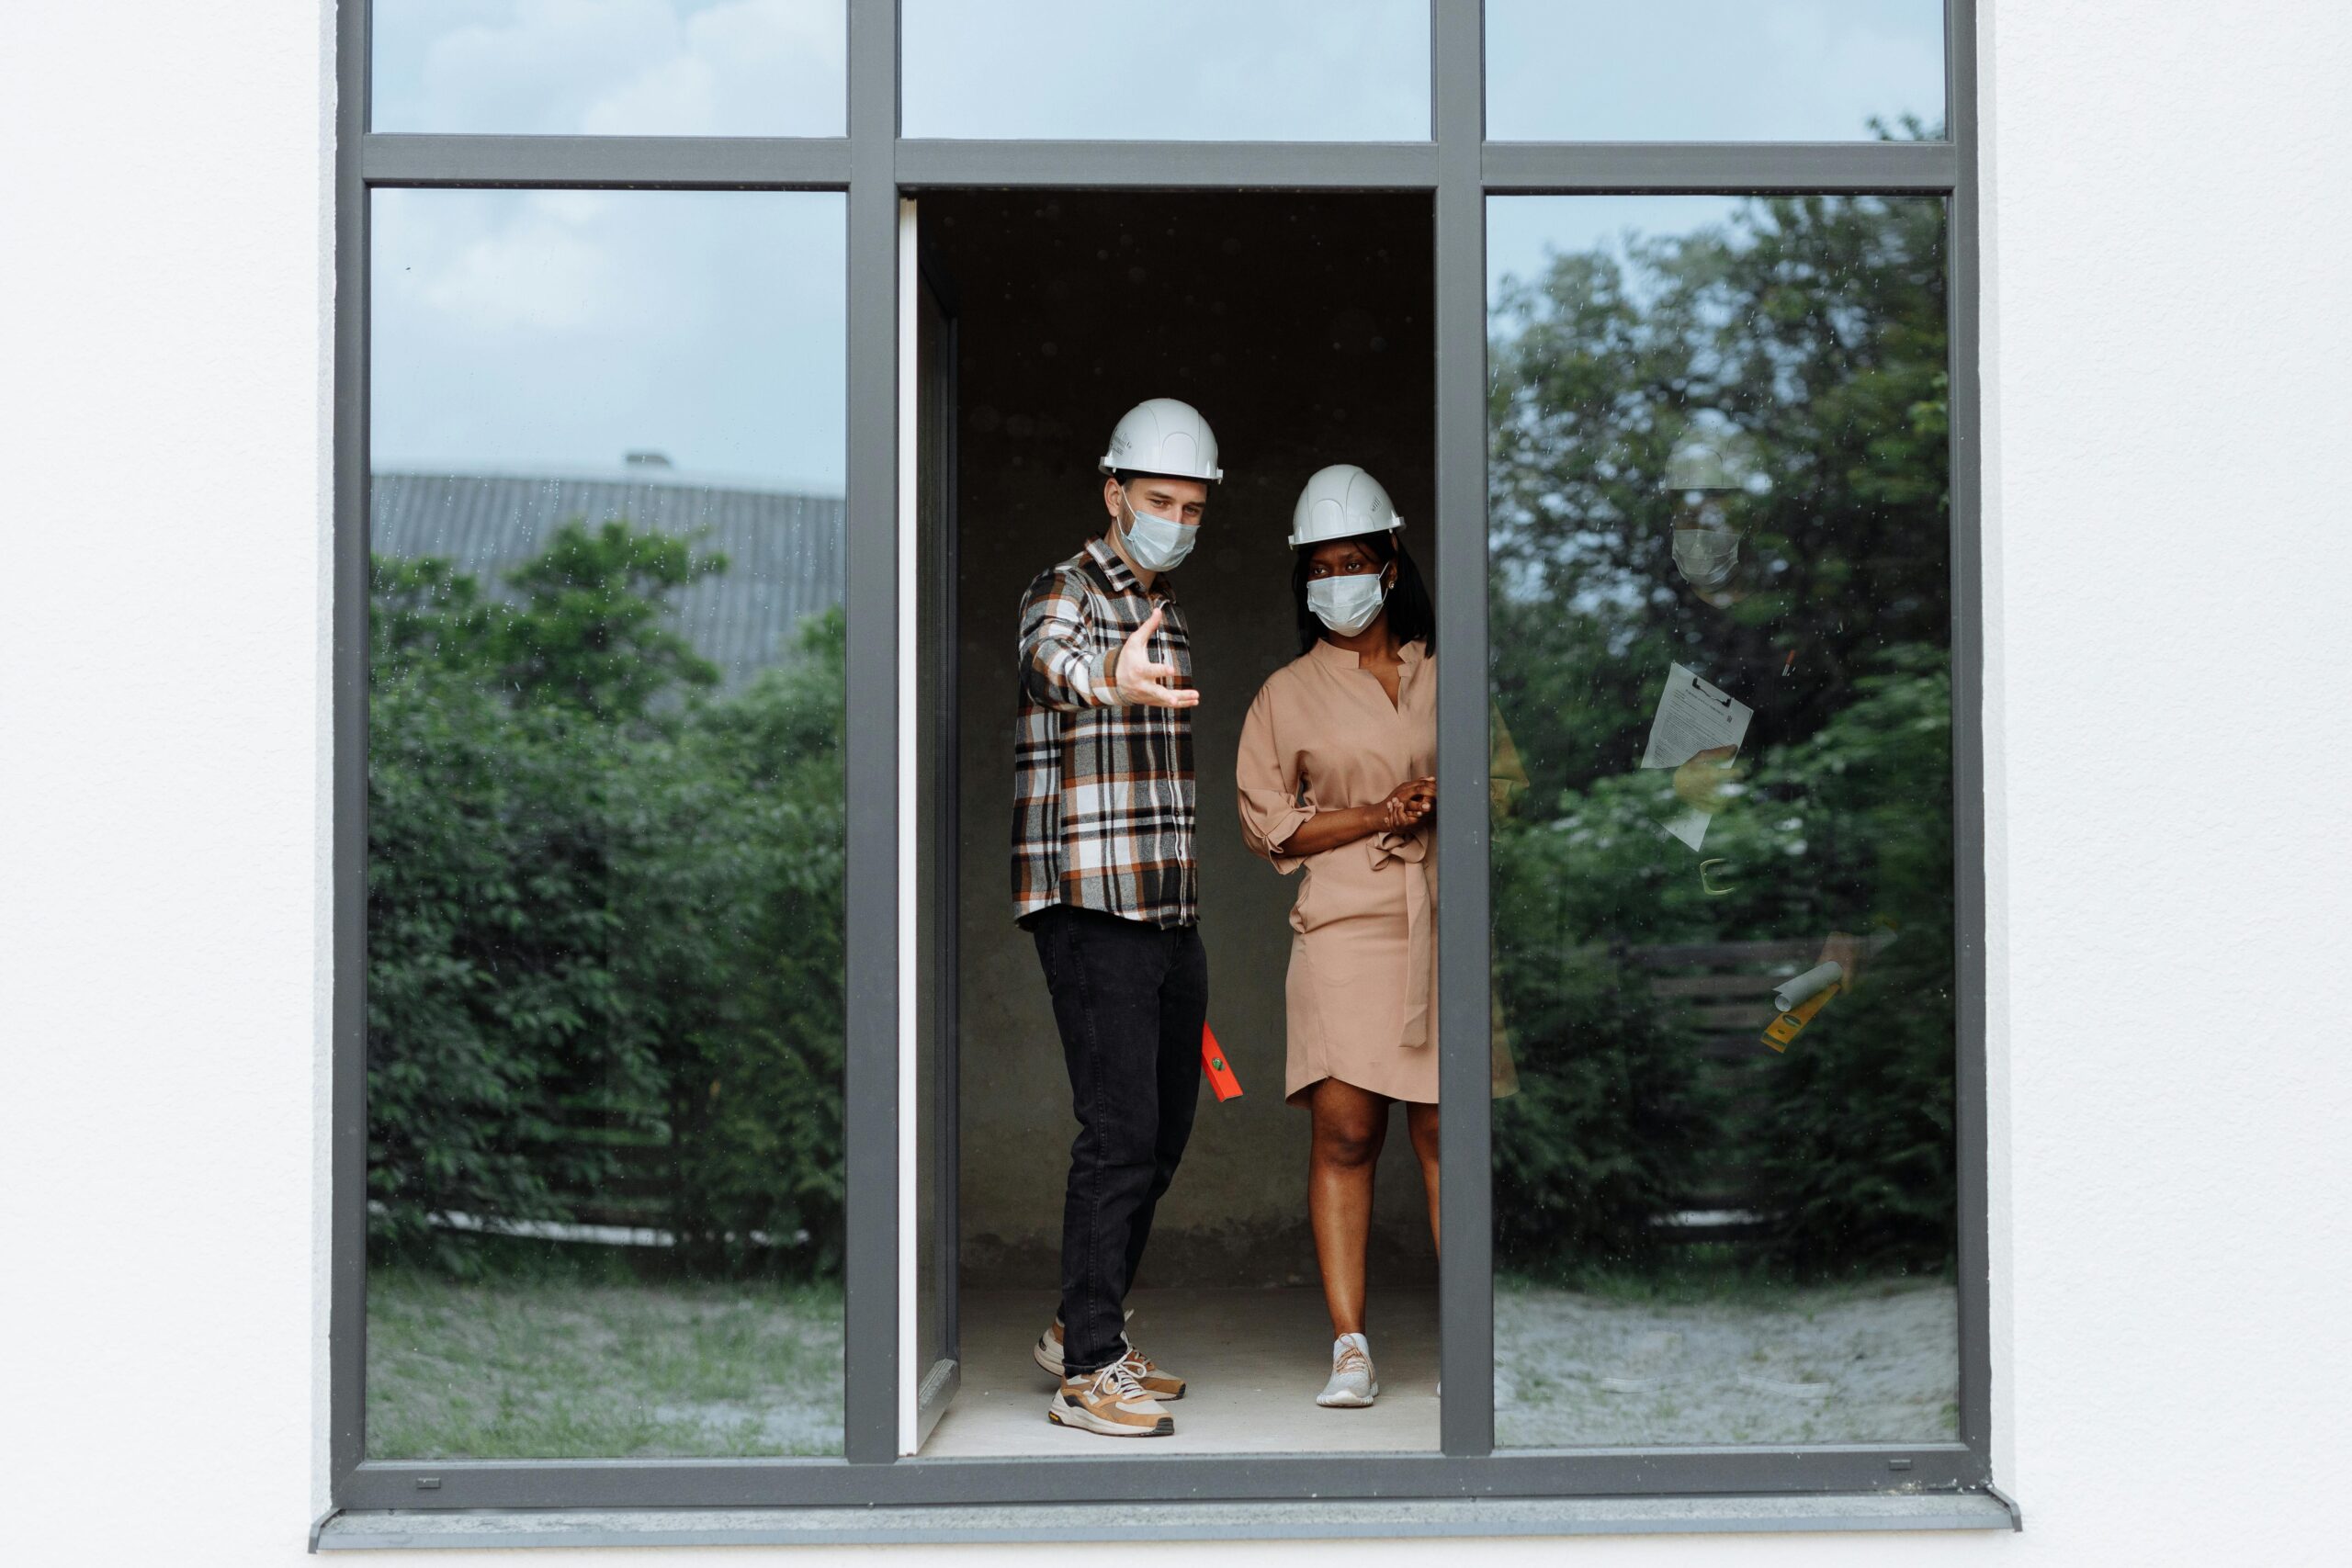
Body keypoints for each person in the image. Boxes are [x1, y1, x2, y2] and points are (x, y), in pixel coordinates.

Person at [1012, 397, 1220, 1438]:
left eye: (1191, 506)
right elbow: (1044, 662)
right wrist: (1105, 678)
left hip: (1163, 910)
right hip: (1091, 906)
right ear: (1113, 493)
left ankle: (1074, 1323)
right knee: (1118, 1135)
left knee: (1165, 1131)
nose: (1175, 520)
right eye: (1157, 501)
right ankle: (1088, 1370)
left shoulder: (1168, 606)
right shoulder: (1070, 591)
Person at [1235, 464, 1441, 1409]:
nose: (1335, 585)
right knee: (1347, 1133)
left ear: (1390, 566)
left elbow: (1511, 787)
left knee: (1447, 1135)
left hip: (1442, 919)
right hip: (1345, 926)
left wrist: (1449, 800)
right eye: (1317, 571)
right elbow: (1269, 824)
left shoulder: (1452, 666)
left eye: (1351, 564)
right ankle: (1350, 1345)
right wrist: (1376, 813)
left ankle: (1470, 1337)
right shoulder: (1285, 693)